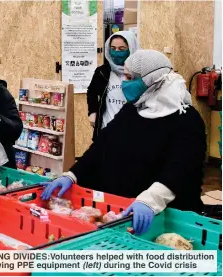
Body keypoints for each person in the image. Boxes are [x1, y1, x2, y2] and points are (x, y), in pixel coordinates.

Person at [41, 50, 206, 235]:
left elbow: (181, 168)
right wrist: (72, 174)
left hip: (164, 219)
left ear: (150, 80)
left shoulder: (186, 120)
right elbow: (101, 145)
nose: (123, 83)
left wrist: (149, 201)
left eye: (129, 77)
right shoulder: (131, 110)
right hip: (122, 213)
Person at [87, 31, 139, 141]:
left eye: (122, 48)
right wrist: (92, 112)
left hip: (131, 131)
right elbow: (91, 92)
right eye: (113, 48)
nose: (116, 52)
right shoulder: (102, 72)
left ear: (131, 48)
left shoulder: (139, 73)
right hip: (106, 129)